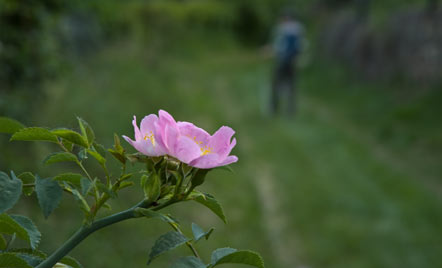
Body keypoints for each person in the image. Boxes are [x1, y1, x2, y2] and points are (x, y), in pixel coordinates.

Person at [270, 12, 304, 116]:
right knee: (291, 86)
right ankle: (291, 110)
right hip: (292, 62)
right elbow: (301, 46)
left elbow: (279, 46)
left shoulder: (283, 29)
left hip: (282, 61)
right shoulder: (299, 29)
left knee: (276, 85)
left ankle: (274, 109)